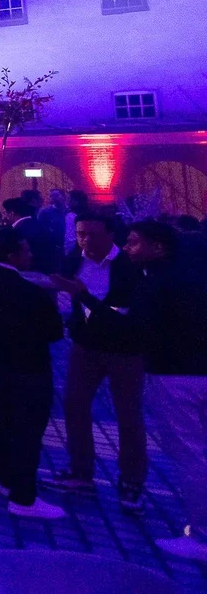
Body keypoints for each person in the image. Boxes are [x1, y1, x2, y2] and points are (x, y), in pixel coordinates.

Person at [95, 222, 207, 560]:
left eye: (133, 243)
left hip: (174, 375)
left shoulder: (153, 284)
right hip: (199, 369)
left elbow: (134, 333)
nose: (127, 248)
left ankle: (202, 537)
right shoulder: (193, 275)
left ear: (158, 248)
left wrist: (87, 305)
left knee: (191, 456)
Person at [0, 227, 65, 519]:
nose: (30, 254)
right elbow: (54, 333)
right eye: (26, 250)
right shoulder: (32, 293)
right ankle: (24, 497)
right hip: (28, 368)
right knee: (27, 432)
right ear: (12, 254)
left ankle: (4, 477)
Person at [43, 212, 146, 508]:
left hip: (123, 350)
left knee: (128, 415)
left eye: (92, 234)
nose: (85, 241)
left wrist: (82, 296)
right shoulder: (75, 258)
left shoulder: (127, 267)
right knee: (75, 405)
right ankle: (81, 472)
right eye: (80, 234)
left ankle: (132, 480)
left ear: (110, 235)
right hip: (86, 346)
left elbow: (121, 318)